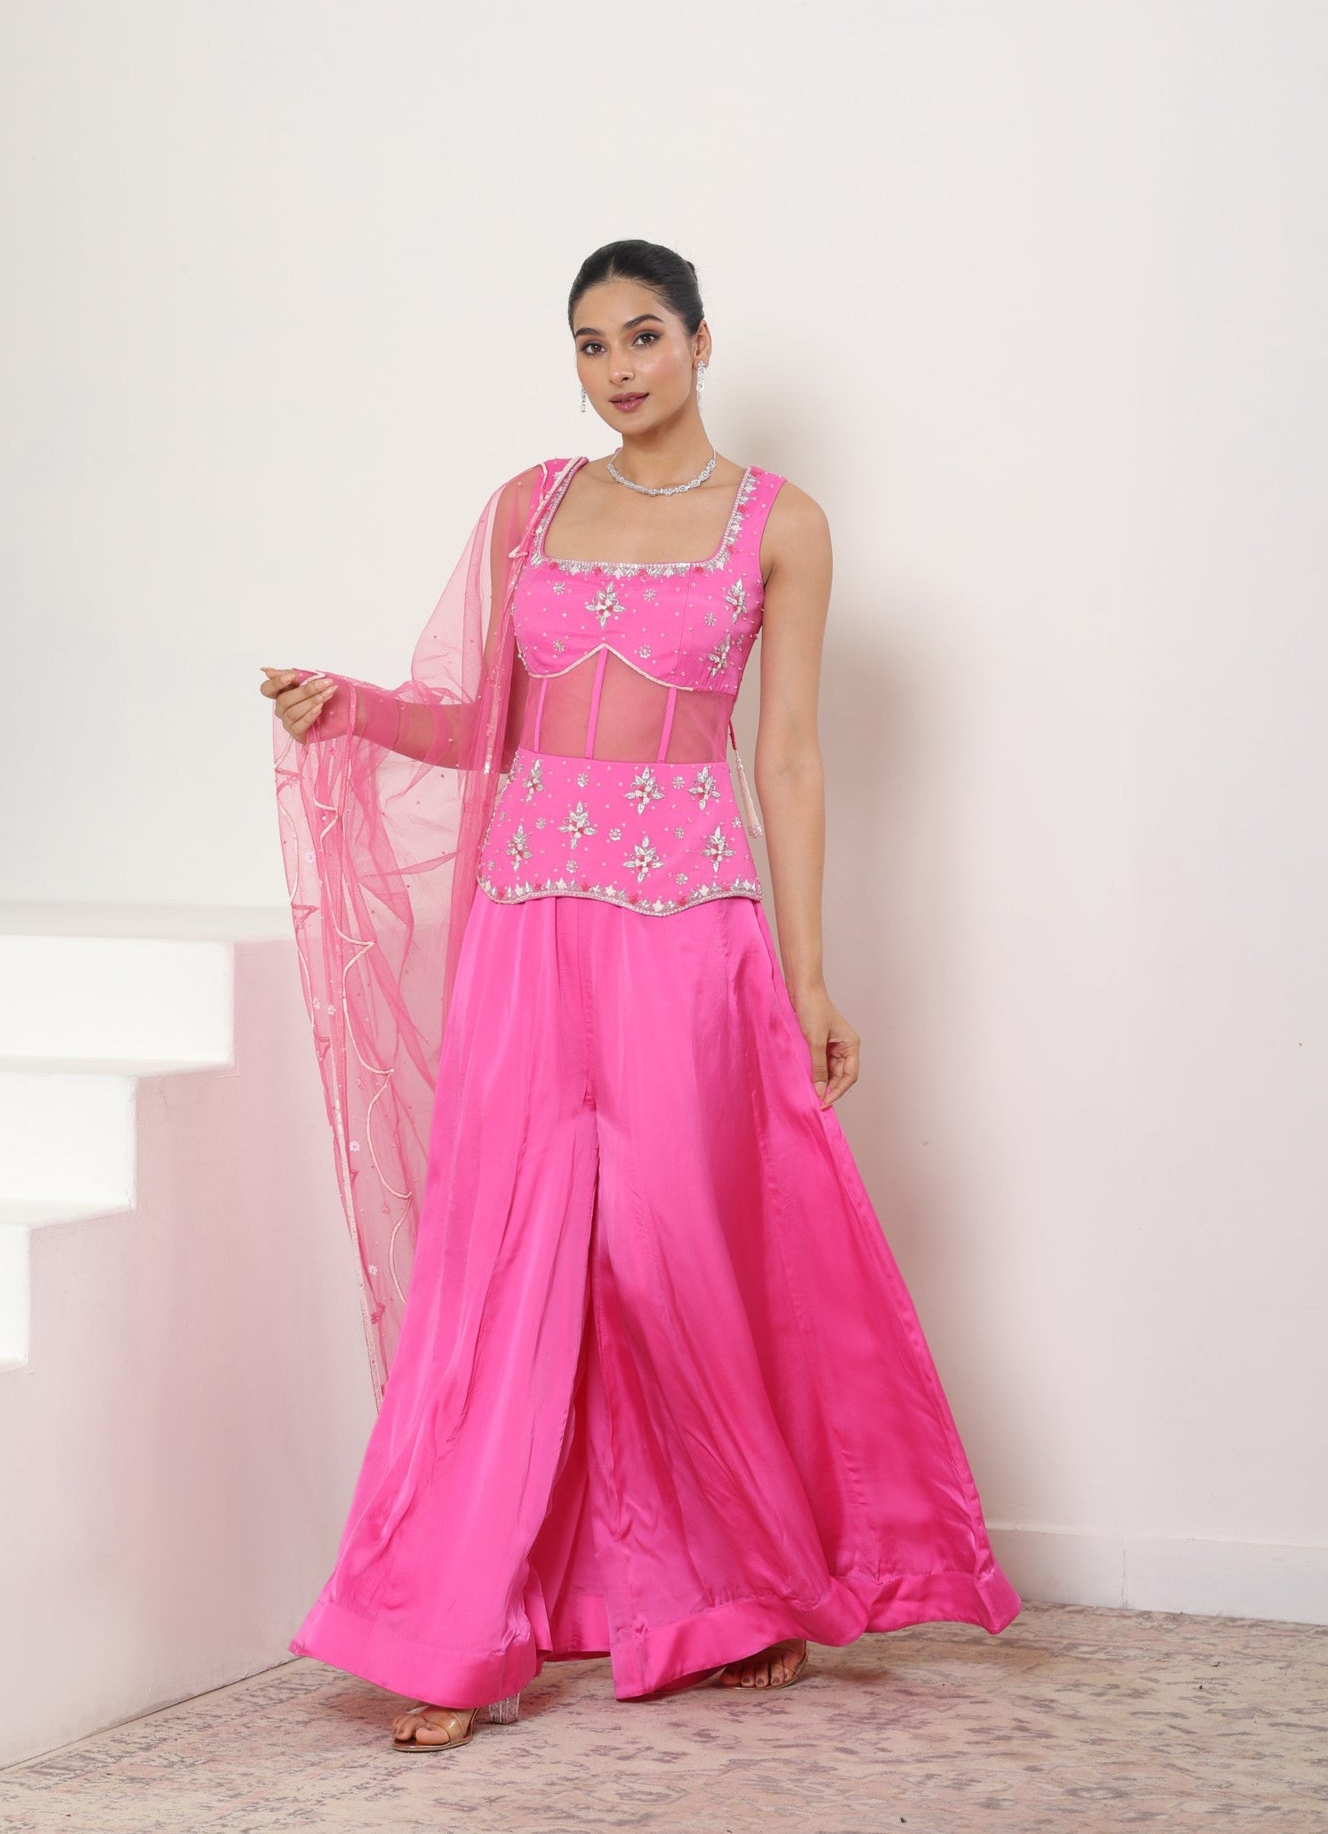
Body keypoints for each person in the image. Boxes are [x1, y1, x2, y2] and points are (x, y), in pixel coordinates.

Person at [259, 238, 1020, 1753]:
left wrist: (807, 976)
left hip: (689, 926)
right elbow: (488, 718)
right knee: (498, 1259)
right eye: (591, 344)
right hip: (533, 924)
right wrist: (347, 705)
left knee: (681, 1251)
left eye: (644, 336)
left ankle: (732, 1589)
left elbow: (786, 758)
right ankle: (451, 1622)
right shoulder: (527, 506)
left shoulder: (777, 523)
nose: (618, 368)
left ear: (700, 343)